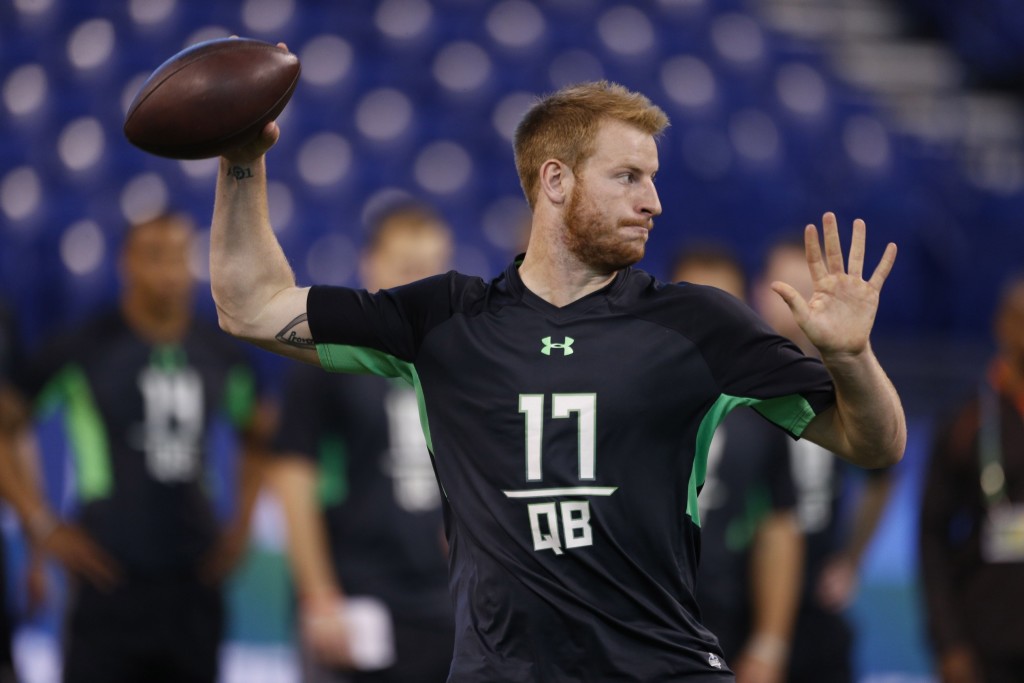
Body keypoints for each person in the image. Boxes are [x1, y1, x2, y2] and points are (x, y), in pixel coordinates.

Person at [208, 79, 906, 682]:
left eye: (652, 178)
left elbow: (874, 444)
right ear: (555, 180)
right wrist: (242, 161)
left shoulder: (700, 324)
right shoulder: (443, 321)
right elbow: (250, 306)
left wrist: (851, 357)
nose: (654, 201)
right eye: (628, 177)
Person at [18, 213, 267, 683]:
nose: (169, 271)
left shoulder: (220, 351)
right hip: (107, 578)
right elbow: (9, 423)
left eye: (179, 257)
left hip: (195, 581)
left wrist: (243, 526)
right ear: (126, 263)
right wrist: (41, 523)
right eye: (155, 256)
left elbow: (260, 434)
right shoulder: (85, 348)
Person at [268, 201, 455, 682]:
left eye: (432, 268)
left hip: (447, 604)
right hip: (359, 599)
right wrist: (319, 596)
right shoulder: (328, 360)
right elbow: (293, 479)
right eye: (407, 267)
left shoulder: (459, 365)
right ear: (369, 265)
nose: (421, 282)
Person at [752, 237, 896, 683]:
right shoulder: (729, 383)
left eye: (806, 289)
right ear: (758, 291)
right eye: (784, 290)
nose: (796, 303)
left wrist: (851, 560)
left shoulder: (839, 384)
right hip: (736, 595)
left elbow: (883, 469)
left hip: (815, 601)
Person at [672, 245, 803, 683]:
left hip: (722, 623)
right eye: (695, 303)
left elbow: (778, 527)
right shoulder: (623, 394)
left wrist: (769, 644)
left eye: (723, 306)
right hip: (628, 622)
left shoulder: (761, 410)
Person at [919, 275, 1024, 683]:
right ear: (1002, 326)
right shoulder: (966, 421)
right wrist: (948, 642)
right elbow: (931, 535)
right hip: (986, 639)